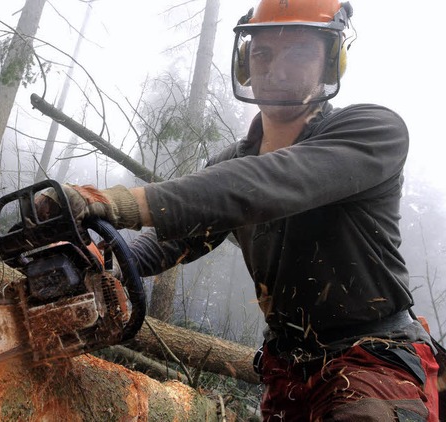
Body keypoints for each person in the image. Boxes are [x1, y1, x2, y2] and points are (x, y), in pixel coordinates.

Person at [36, 0, 440, 419]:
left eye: (299, 51)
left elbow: (264, 184)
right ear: (246, 62)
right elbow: (179, 236)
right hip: (286, 366)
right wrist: (108, 262)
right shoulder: (233, 163)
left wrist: (115, 203)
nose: (277, 68)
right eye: (263, 53)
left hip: (370, 357)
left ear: (331, 60)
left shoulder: (372, 132)